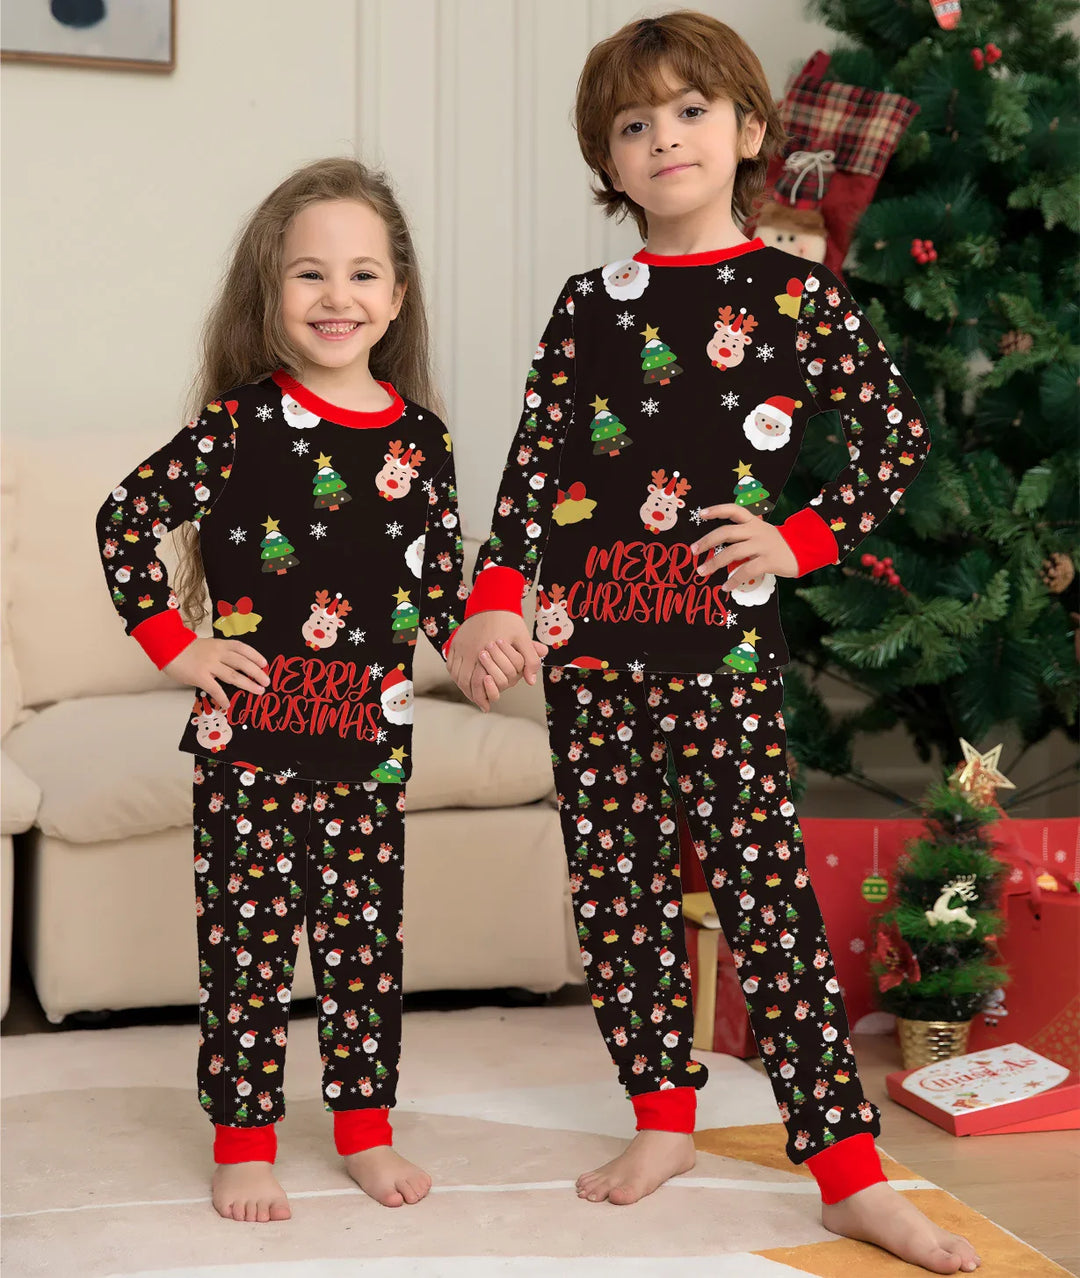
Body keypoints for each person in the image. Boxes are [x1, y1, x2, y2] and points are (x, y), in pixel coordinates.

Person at [448, 13, 979, 1275]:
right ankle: (662, 1118)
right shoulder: (587, 307)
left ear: (747, 133)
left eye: (689, 111)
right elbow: (533, 479)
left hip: (718, 660)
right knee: (619, 897)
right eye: (634, 124)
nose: (662, 137)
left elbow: (897, 442)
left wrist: (800, 538)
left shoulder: (801, 295)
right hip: (587, 655)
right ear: (609, 164)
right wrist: (490, 602)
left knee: (764, 901)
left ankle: (846, 1173)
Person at [96, 158, 473, 1223]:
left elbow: (441, 585)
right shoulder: (237, 428)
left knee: (363, 948)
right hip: (250, 744)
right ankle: (244, 1141)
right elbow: (125, 521)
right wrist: (177, 645)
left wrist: (487, 641)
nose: (337, 296)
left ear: (398, 297)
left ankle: (364, 1129)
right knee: (250, 951)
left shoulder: (424, 442)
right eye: (311, 274)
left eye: (362, 273)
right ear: (271, 293)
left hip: (370, 748)